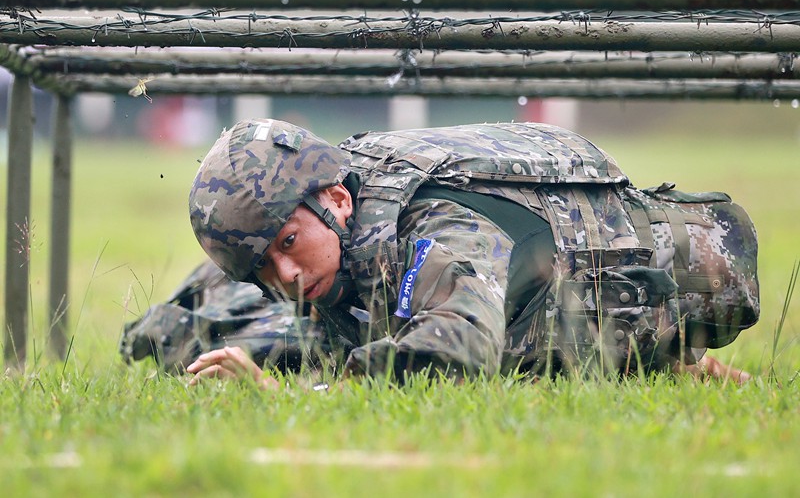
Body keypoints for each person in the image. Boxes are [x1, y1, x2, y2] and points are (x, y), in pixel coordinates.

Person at [185, 119, 759, 388]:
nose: (284, 274)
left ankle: (681, 365)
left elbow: (462, 343)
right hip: (528, 301)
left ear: (337, 199)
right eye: (262, 266)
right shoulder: (346, 221)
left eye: (288, 243)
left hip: (652, 283)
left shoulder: (435, 228)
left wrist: (305, 399)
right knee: (191, 328)